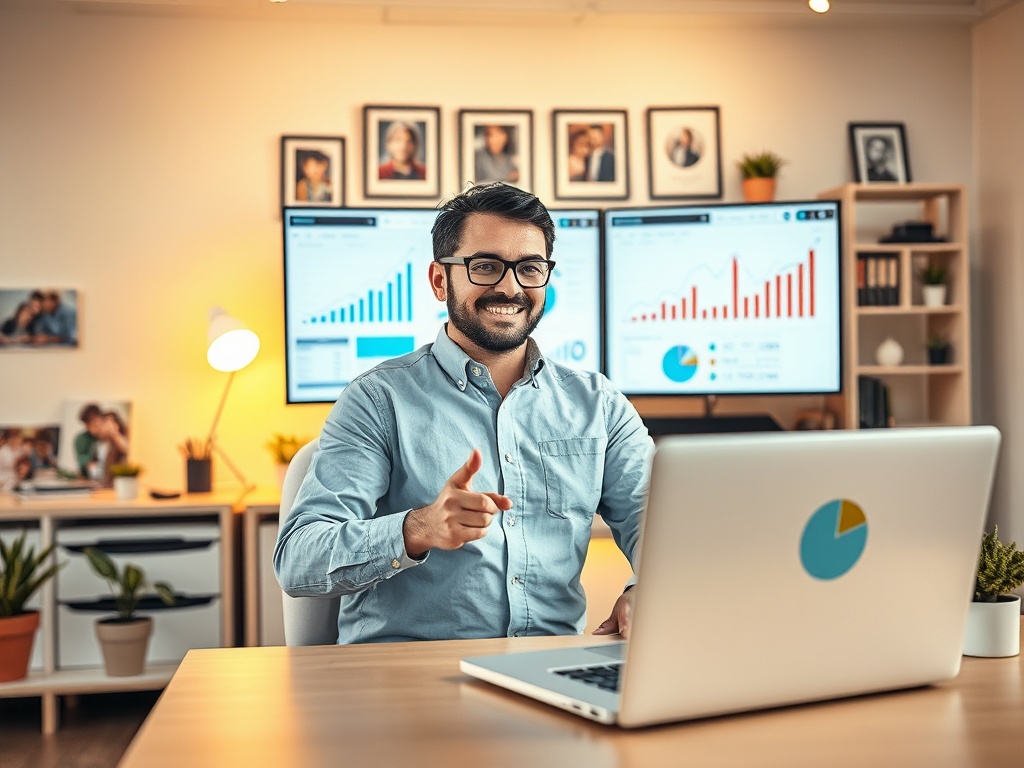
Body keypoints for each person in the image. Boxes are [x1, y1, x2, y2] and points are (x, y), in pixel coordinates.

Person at [275, 182, 653, 645]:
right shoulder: (377, 400)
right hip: (409, 675)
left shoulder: (598, 405)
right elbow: (298, 560)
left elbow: (664, 531)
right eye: (485, 266)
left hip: (548, 668)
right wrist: (417, 529)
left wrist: (645, 590)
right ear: (440, 281)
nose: (510, 287)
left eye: (529, 268)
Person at [74, 403, 104, 479]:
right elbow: (82, 460)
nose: (89, 426)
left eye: (93, 422)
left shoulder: (107, 437)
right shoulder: (81, 439)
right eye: (86, 424)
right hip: (89, 478)